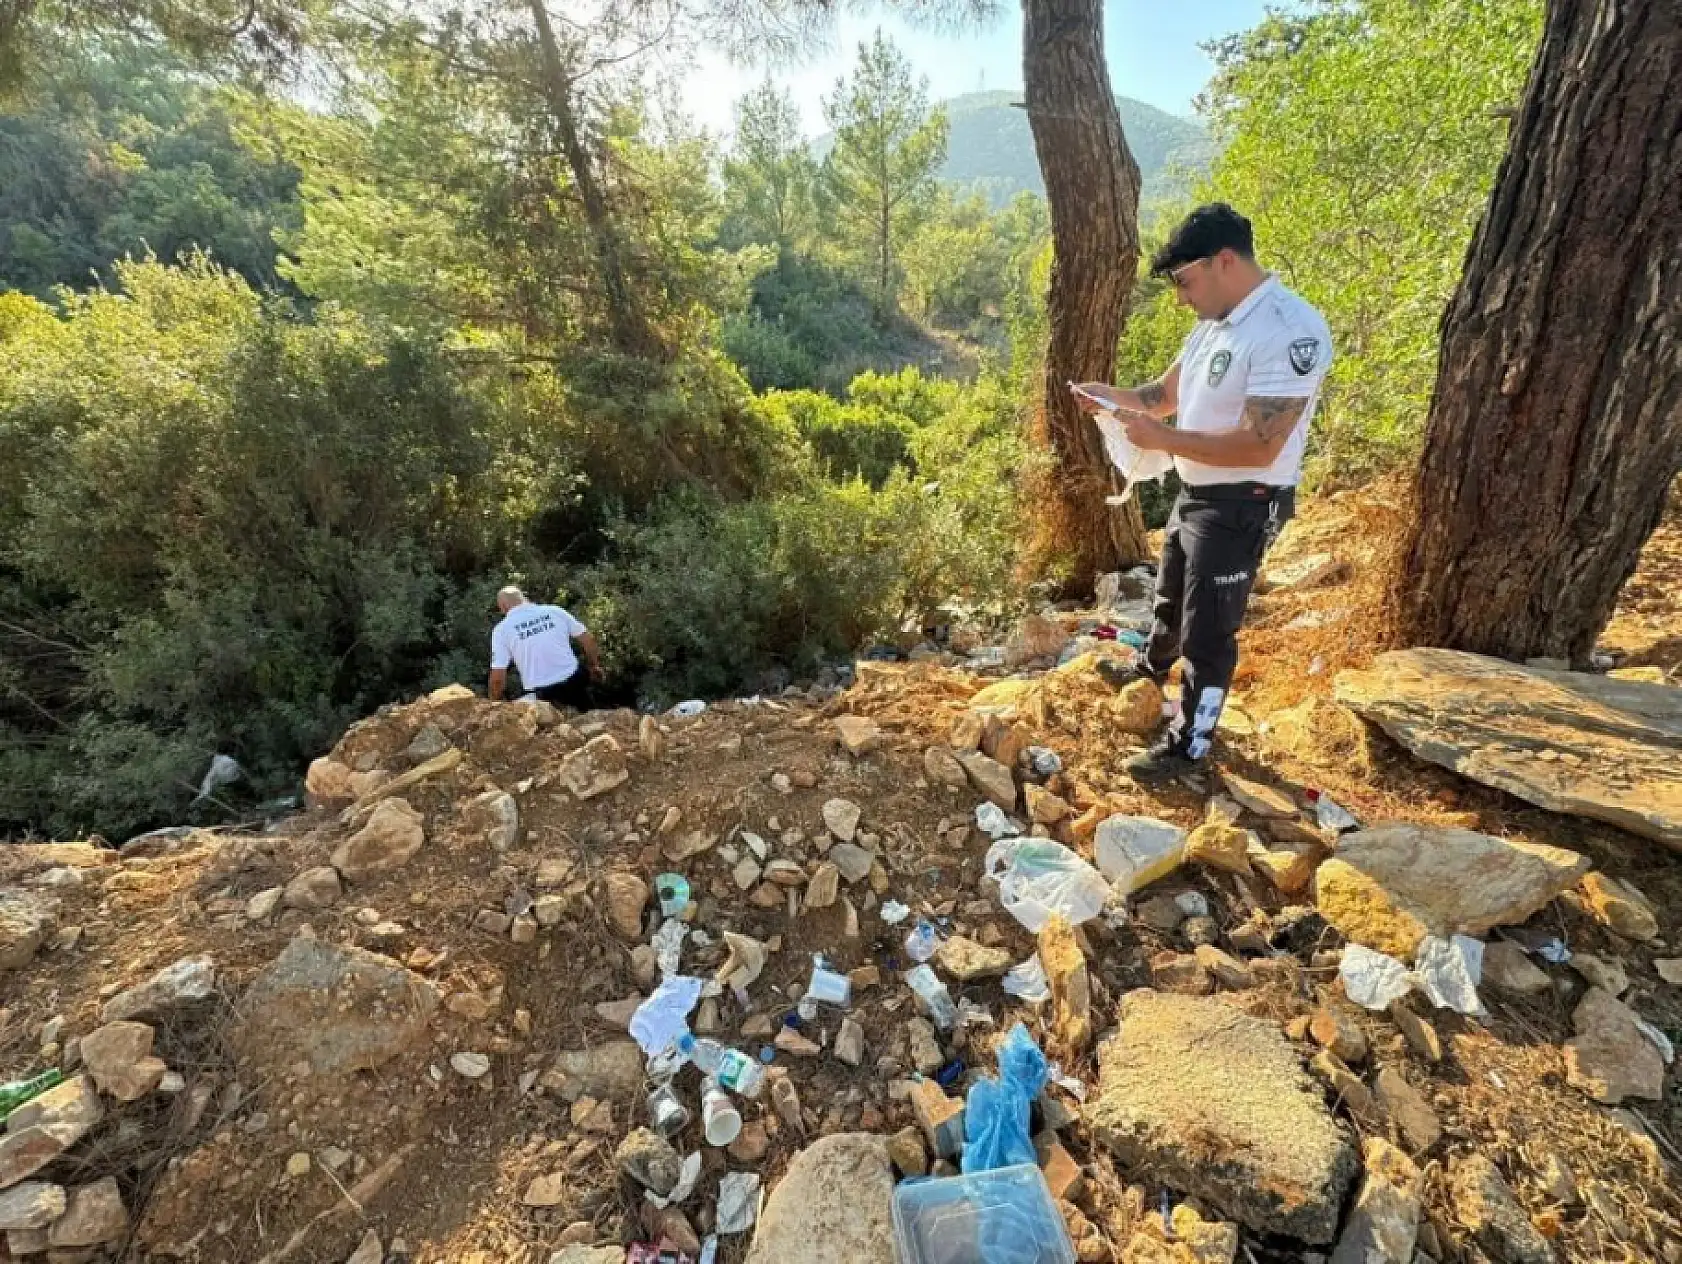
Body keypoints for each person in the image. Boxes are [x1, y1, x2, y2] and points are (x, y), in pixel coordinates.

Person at [1071, 203, 1333, 783]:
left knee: (1209, 628)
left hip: (1246, 498)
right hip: (1196, 490)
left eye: (1186, 282)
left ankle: (1189, 747)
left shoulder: (1290, 331)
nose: (1182, 297)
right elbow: (1160, 394)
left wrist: (1161, 437)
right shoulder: (1213, 326)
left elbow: (1260, 444)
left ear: (1224, 261)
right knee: (1170, 596)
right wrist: (1108, 398)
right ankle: (1148, 671)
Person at [487, 586, 604, 710]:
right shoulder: (554, 611)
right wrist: (594, 666)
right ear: (524, 598)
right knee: (590, 716)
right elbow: (588, 640)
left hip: (545, 695)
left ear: (503, 607)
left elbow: (497, 679)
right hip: (575, 680)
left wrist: (494, 704)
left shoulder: (502, 630)